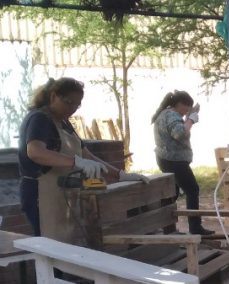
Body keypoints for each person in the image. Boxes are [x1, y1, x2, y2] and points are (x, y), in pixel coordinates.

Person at [17, 77, 138, 239]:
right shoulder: (39, 119)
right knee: (50, 246)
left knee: (68, 244)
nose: (73, 108)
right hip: (40, 193)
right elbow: (36, 152)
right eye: (69, 102)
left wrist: (120, 175)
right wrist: (75, 162)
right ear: (53, 96)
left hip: (63, 193)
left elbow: (87, 155)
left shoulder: (64, 122)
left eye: (77, 104)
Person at [152, 90, 213, 235]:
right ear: (180, 104)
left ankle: (168, 228)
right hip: (174, 160)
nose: (187, 112)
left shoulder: (165, 114)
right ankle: (195, 227)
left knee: (171, 193)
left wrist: (189, 116)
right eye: (187, 108)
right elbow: (179, 133)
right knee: (192, 190)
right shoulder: (172, 115)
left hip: (166, 159)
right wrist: (191, 119)